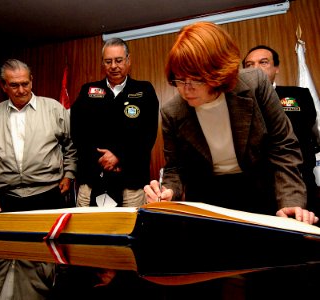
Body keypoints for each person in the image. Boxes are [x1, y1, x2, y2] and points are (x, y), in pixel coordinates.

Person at [143, 21, 318, 225]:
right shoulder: (172, 112)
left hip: (262, 188)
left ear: (218, 73)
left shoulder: (255, 85)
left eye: (196, 79)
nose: (185, 89)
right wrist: (168, 192)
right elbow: (175, 168)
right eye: (179, 80)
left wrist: (290, 202)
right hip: (208, 199)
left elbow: (283, 146)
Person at [0, 58, 76, 213]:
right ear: (3, 86)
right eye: (14, 85)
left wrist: (69, 175)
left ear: (31, 81)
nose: (21, 90)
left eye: (25, 84)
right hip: (6, 197)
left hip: (48, 193)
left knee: (48, 238)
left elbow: (71, 146)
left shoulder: (54, 109)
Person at [70, 38, 159, 207]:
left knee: (129, 231)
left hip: (131, 185)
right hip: (91, 181)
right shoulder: (88, 91)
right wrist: (101, 159)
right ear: (102, 63)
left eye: (118, 60)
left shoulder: (144, 90)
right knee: (88, 232)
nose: (113, 66)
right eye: (108, 61)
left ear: (128, 60)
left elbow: (147, 135)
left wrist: (119, 156)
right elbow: (77, 133)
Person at [242, 45, 320, 215]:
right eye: (249, 65)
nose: (255, 69)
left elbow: (316, 135)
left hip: (300, 185)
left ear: (276, 68)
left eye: (263, 62)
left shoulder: (299, 96)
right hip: (255, 195)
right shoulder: (239, 104)